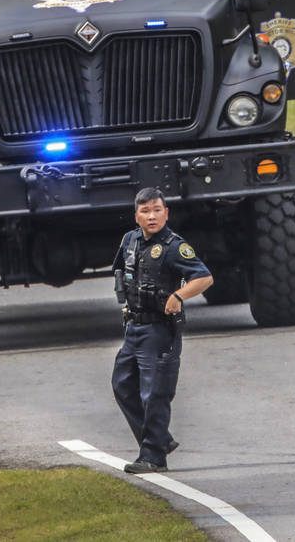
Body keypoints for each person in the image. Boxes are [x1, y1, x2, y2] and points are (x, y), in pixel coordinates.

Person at [111, 187, 213, 474]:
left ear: (166, 213)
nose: (151, 216)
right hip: (134, 327)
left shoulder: (173, 246)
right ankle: (161, 439)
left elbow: (204, 277)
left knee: (154, 393)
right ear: (137, 216)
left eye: (157, 210)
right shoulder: (130, 241)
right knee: (122, 385)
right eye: (145, 211)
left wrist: (178, 296)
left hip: (159, 330)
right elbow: (121, 271)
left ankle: (153, 456)